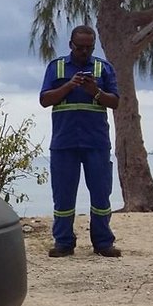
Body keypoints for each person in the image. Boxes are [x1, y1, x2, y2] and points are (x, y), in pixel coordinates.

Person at [38, 23, 121, 258]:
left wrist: (94, 91)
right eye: (79, 47)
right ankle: (64, 242)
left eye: (89, 47)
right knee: (63, 195)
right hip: (65, 143)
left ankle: (103, 242)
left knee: (101, 195)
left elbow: (115, 102)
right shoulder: (57, 67)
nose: (84, 52)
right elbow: (44, 100)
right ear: (70, 45)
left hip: (96, 142)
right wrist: (69, 85)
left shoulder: (103, 68)